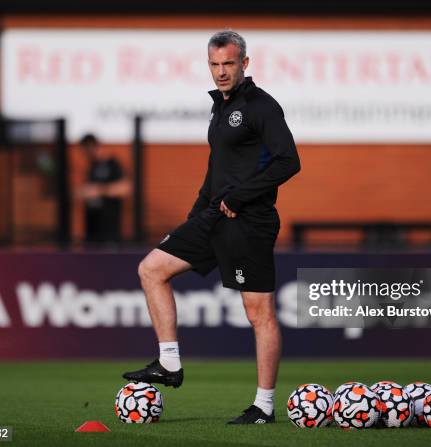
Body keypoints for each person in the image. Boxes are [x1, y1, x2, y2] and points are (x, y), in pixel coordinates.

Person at [122, 30, 301, 424]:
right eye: (215, 65)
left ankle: (264, 407)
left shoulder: (261, 106)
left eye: (229, 64)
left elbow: (289, 161)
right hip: (211, 217)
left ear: (244, 64)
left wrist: (240, 196)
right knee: (152, 269)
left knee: (260, 314)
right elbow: (217, 165)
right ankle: (169, 363)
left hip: (248, 221)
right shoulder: (220, 106)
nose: (221, 72)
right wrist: (197, 211)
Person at [78, 134, 130, 245]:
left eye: (85, 150)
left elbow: (125, 188)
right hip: (93, 227)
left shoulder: (112, 164)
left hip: (109, 227)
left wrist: (99, 190)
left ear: (92, 146)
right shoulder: (92, 166)